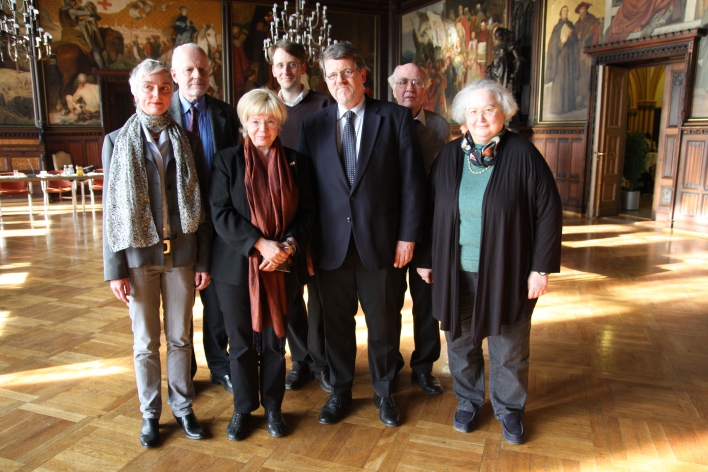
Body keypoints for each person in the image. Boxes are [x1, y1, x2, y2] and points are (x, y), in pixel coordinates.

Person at [415, 79, 562, 444]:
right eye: (473, 111)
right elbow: (430, 211)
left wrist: (539, 268)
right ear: (463, 117)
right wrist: (425, 257)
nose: (481, 117)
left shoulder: (524, 155)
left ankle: (509, 409)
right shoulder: (450, 157)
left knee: (509, 344)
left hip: (509, 271)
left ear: (503, 112)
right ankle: (468, 400)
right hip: (454, 270)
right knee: (460, 342)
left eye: (489, 109)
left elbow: (548, 212)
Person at [298, 41, 425, 427]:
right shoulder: (313, 125)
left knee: (384, 323)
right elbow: (305, 192)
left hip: (383, 244)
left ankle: (385, 393)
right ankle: (340, 391)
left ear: (363, 74)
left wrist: (408, 236)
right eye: (333, 74)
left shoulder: (395, 118)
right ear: (325, 79)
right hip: (329, 246)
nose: (341, 80)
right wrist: (304, 244)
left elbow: (412, 184)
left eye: (348, 72)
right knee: (335, 325)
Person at [102, 58, 211, 448]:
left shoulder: (188, 140)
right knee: (146, 342)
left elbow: (203, 210)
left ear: (173, 90)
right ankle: (150, 414)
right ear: (135, 92)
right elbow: (110, 211)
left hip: (181, 255)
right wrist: (115, 269)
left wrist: (202, 260)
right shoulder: (116, 141)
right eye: (149, 87)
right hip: (137, 259)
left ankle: (183, 408)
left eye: (164, 88)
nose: (157, 95)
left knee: (181, 338)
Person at [209, 88, 316, 440]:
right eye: (255, 121)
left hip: (282, 265)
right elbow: (220, 212)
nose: (262, 128)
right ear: (244, 123)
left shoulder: (296, 161)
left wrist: (286, 246)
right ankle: (243, 409)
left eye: (270, 121)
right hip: (236, 267)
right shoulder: (227, 161)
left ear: (280, 123)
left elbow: (307, 213)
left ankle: (273, 407)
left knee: (274, 342)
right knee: (240, 343)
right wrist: (260, 243)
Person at [169, 43, 241, 393]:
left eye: (203, 69)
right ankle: (185, 370)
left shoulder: (226, 114)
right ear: (174, 76)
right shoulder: (159, 114)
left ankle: (219, 364)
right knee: (179, 303)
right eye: (189, 70)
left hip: (219, 221)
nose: (197, 75)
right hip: (177, 225)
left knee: (217, 302)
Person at [269, 40, 334, 393]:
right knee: (291, 295)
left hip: (319, 214)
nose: (286, 71)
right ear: (273, 69)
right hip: (281, 218)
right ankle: (301, 361)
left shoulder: (323, 103)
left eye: (292, 64)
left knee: (321, 296)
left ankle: (322, 361)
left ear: (303, 66)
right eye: (279, 65)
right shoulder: (269, 105)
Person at [388, 63, 450, 395]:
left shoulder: (439, 126)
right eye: (402, 82)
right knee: (388, 301)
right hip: (388, 229)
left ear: (425, 88)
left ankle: (424, 366)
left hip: (428, 228)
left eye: (416, 82)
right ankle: (390, 363)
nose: (409, 87)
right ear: (392, 87)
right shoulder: (380, 119)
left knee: (426, 302)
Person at [544, 6, 579, 115]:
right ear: (560, 13)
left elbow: (575, 41)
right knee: (560, 80)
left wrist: (572, 37)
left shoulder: (571, 25)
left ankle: (569, 106)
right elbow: (552, 44)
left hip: (569, 57)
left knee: (568, 79)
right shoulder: (557, 27)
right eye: (564, 11)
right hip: (560, 57)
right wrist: (561, 42)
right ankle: (558, 108)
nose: (566, 12)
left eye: (567, 10)